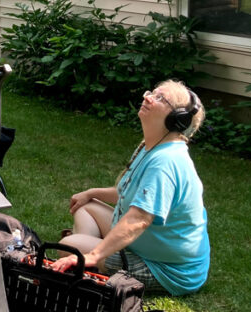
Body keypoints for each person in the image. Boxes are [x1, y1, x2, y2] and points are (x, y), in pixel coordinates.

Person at [50, 80, 210, 296]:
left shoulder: (166, 162)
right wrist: (92, 193)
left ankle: (91, 259)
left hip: (167, 270)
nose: (148, 97)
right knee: (85, 207)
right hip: (141, 244)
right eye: (151, 93)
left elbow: (139, 219)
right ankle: (94, 257)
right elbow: (130, 193)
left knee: (68, 244)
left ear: (177, 119)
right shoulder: (152, 146)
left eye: (160, 98)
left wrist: (94, 255)